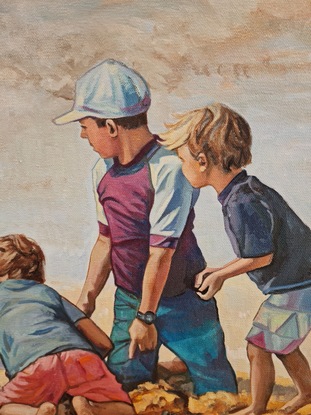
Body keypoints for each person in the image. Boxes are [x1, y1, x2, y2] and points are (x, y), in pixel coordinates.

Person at [53, 59, 237, 395]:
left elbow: (161, 252)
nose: (83, 135)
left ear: (110, 126)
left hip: (182, 300)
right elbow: (106, 240)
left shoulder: (169, 166)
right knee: (124, 383)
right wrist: (86, 302)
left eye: (85, 125)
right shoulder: (102, 169)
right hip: (129, 297)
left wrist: (147, 318)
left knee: (217, 387)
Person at [160, 102, 311, 415]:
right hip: (299, 281)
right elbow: (254, 252)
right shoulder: (245, 190)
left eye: (181, 158)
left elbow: (261, 255)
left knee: (259, 346)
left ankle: (255, 408)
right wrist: (222, 268)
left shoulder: (241, 202)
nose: (180, 165)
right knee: (280, 342)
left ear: (202, 161)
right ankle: (307, 392)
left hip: (298, 285)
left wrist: (220, 276)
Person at [0, 234, 135, 415]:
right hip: (81, 358)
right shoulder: (49, 293)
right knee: (125, 409)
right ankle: (93, 408)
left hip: (33, 366)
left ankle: (36, 413)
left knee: (5, 407)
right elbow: (104, 343)